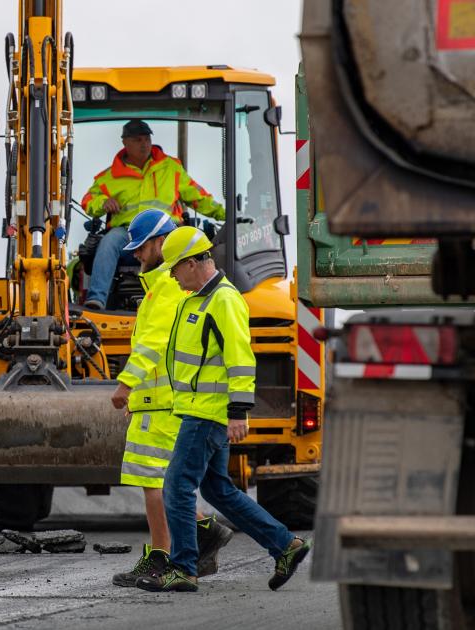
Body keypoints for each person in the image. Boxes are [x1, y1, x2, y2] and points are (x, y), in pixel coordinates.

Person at [136, 227, 310, 593]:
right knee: (218, 490)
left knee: (176, 487)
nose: (170, 275)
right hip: (197, 410)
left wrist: (237, 411)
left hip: (209, 413)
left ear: (193, 263)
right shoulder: (194, 299)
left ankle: (183, 567)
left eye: (174, 268)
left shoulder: (225, 300)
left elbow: (240, 359)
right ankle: (286, 545)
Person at [108, 211, 234, 587]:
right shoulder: (160, 287)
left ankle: (167, 555)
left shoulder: (164, 288)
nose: (136, 256)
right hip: (156, 401)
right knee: (159, 482)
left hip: (160, 401)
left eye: (142, 247)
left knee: (155, 482)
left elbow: (153, 342)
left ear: (161, 243)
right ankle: (193, 537)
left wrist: (126, 383)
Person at [80, 119, 224, 310]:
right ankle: (96, 301)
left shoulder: (170, 168)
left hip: (166, 233)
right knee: (109, 242)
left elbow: (199, 197)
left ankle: (194, 299)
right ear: (125, 143)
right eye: (138, 140)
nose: (144, 144)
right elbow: (88, 200)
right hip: (129, 236)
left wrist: (226, 215)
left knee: (188, 247)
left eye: (147, 139)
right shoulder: (110, 176)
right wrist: (102, 203)